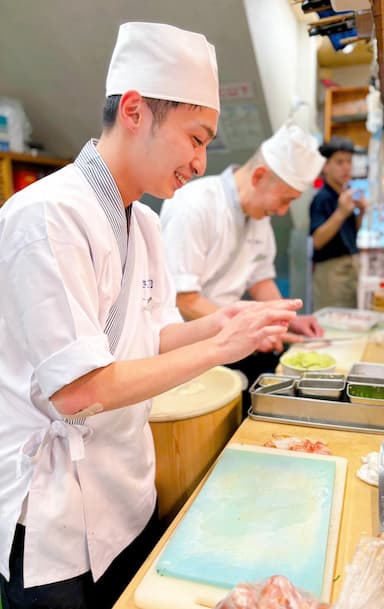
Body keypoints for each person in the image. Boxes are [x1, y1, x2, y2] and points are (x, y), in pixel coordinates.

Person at [0, 22, 303, 609]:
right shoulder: (43, 216)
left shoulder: (144, 221)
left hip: (126, 487)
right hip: (54, 507)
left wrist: (222, 323)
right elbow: (78, 389)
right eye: (195, 137)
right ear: (135, 111)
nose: (201, 160)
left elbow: (156, 333)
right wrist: (220, 349)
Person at [160, 122, 325, 411]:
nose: (283, 211)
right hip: (189, 343)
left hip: (229, 334)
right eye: (285, 200)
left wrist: (289, 318)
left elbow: (260, 281)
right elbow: (184, 298)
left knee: (278, 384)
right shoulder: (196, 205)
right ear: (260, 176)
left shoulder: (260, 219)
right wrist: (245, 329)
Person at [309, 135, 368, 310]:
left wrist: (361, 212)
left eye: (349, 162)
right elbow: (318, 241)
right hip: (331, 272)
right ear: (325, 167)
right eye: (339, 162)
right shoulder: (322, 198)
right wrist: (341, 213)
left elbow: (351, 232)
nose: (346, 167)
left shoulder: (345, 194)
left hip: (350, 267)